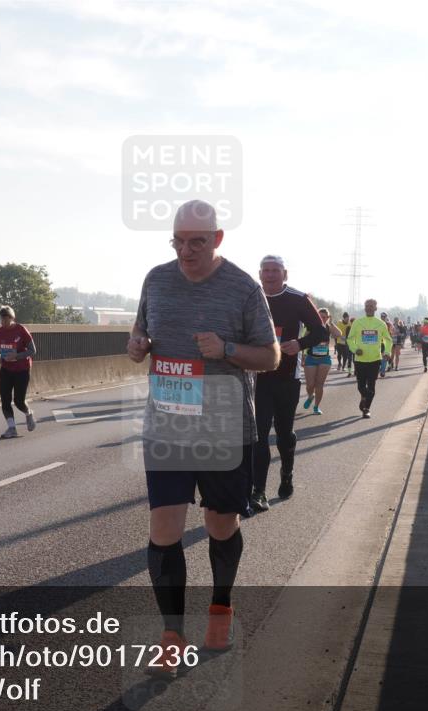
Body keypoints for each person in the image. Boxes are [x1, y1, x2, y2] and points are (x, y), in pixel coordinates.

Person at [128, 199, 278, 677]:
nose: (186, 251)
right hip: (168, 425)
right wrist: (138, 346)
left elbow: (272, 356)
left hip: (222, 428)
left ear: (217, 239)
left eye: (196, 242)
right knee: (163, 530)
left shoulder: (241, 287)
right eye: (178, 241)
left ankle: (220, 607)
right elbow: (142, 328)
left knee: (220, 527)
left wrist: (228, 350)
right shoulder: (156, 279)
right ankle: (171, 635)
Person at [253, 257, 327, 512]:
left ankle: (286, 473)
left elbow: (321, 331)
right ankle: (258, 491)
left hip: (287, 377)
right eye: (266, 271)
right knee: (258, 435)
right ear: (260, 273)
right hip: (257, 376)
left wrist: (300, 344)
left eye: (276, 271)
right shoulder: (251, 296)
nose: (270, 275)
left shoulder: (298, 299)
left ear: (285, 274)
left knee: (284, 434)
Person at [0, 306, 37, 438]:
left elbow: (32, 351)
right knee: (5, 400)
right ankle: (12, 428)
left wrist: (16, 356)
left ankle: (28, 413)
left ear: (11, 318)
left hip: (22, 369)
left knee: (18, 401)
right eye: (1, 319)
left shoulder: (21, 330)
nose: (3, 322)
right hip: (6, 369)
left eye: (5, 319)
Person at [346, 298, 393, 419]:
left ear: (376, 308)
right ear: (364, 308)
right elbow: (350, 339)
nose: (369, 307)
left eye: (372, 306)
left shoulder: (381, 324)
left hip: (375, 359)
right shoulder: (357, 322)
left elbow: (388, 340)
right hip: (360, 359)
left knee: (371, 386)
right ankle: (365, 398)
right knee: (361, 386)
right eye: (367, 305)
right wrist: (355, 349)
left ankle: (366, 409)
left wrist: (387, 352)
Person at [302, 307, 341, 418]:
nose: (322, 319)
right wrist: (303, 355)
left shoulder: (328, 327)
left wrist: (331, 323)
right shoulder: (311, 327)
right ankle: (310, 396)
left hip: (324, 359)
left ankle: (316, 407)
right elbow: (303, 341)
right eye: (319, 317)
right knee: (310, 385)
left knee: (319, 384)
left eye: (324, 317)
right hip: (311, 357)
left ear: (327, 318)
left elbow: (338, 334)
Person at [378, 312, 395, 378]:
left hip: (386, 343)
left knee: (385, 357)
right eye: (382, 316)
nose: (383, 317)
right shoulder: (378, 323)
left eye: (384, 316)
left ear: (386, 317)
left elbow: (392, 332)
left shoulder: (389, 324)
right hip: (379, 342)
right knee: (379, 357)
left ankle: (382, 371)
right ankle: (382, 369)